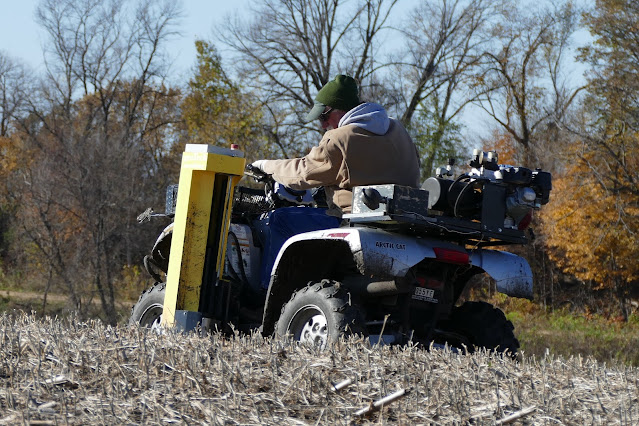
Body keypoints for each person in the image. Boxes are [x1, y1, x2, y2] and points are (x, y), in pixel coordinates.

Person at [251, 74, 421, 217]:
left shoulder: (339, 139)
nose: (324, 125)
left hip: (349, 220)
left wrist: (265, 165)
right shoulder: (399, 130)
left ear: (337, 109)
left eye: (323, 117)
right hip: (406, 220)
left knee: (279, 220)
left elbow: (301, 174)